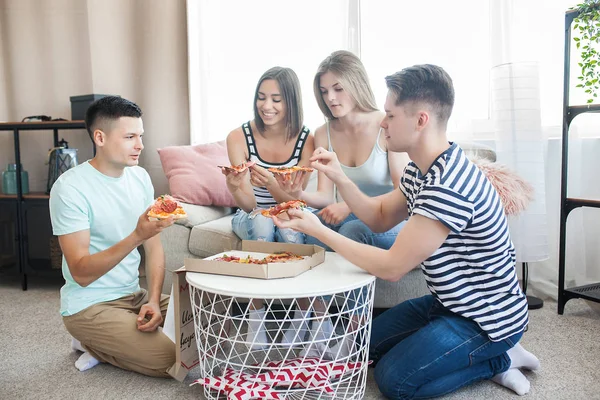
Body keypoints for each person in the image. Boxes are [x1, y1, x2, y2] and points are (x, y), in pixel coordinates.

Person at [274, 64, 540, 398]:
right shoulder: (423, 168)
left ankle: (500, 359)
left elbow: (392, 267)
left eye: (390, 115)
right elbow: (380, 216)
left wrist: (320, 230)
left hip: (485, 320)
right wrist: (341, 176)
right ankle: (460, 350)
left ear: (421, 120)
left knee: (394, 380)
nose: (382, 123)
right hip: (448, 304)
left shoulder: (448, 185)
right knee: (362, 345)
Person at [274, 50, 410, 349]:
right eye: (324, 91)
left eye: (338, 88)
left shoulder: (385, 125)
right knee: (305, 232)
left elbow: (404, 192)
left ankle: (354, 331)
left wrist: (349, 203)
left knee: (353, 230)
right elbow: (324, 195)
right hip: (354, 216)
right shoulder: (323, 134)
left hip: (390, 220)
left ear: (356, 84)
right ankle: (317, 321)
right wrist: (298, 195)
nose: (330, 98)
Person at [49, 96, 175, 377]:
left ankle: (115, 339)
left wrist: (153, 300)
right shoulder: (70, 188)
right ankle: (90, 342)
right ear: (100, 137)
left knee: (210, 322)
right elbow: (81, 272)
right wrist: (135, 237)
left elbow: (154, 247)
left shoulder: (140, 177)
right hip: (89, 305)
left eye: (140, 136)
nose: (140, 145)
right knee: (170, 359)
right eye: (130, 136)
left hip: (134, 296)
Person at [222, 66, 314, 348]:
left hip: (289, 210)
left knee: (289, 227)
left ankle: (299, 316)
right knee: (262, 220)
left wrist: (274, 184)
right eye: (261, 97)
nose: (266, 106)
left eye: (276, 99)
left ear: (291, 102)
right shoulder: (238, 137)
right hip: (249, 214)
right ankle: (255, 317)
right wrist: (236, 186)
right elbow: (249, 205)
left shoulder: (307, 139)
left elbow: (295, 200)